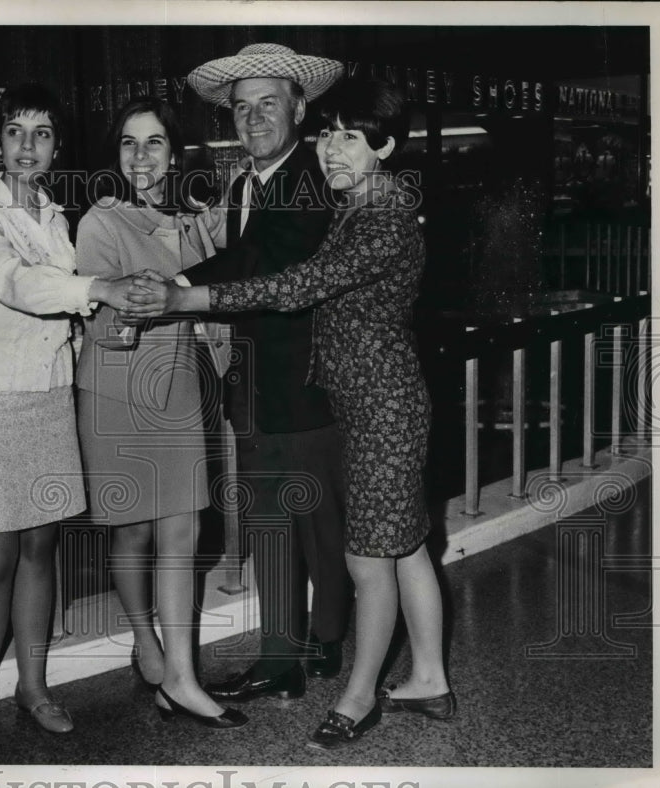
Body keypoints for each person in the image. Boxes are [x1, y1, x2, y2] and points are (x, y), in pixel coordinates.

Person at [127, 79, 456, 749]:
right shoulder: (359, 202)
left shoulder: (379, 215)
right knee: (409, 548)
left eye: (349, 138)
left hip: (376, 408)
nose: (332, 150)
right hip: (375, 396)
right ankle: (428, 677)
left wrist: (185, 299)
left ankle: (358, 699)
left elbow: (295, 282)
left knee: (369, 560)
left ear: (385, 147)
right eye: (330, 135)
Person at [0, 83, 150, 755]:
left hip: (45, 397)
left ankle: (33, 687)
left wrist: (102, 333)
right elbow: (14, 285)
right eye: (15, 133)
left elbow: (60, 315)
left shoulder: (58, 218)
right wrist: (96, 290)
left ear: (57, 146)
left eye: (42, 133)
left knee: (38, 548)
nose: (28, 146)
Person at [175, 43, 353, 704]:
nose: (252, 119)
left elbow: (263, 259)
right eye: (242, 107)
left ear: (299, 108)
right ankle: (280, 657)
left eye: (268, 104)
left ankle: (329, 635)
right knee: (272, 522)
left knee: (321, 521)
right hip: (254, 385)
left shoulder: (311, 178)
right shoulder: (246, 183)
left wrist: (176, 288)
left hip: (306, 382)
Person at [74, 97, 245, 730]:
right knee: (134, 530)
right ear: (115, 154)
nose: (140, 156)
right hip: (118, 388)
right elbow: (108, 313)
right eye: (128, 143)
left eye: (153, 144)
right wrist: (161, 297)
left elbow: (234, 260)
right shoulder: (100, 220)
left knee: (184, 531)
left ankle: (180, 677)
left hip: (173, 383)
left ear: (174, 153)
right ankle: (146, 641)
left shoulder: (188, 217)